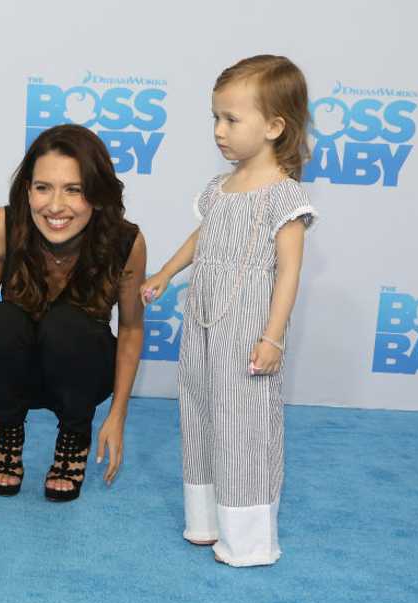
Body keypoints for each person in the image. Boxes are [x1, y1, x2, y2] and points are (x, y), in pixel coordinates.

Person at [141, 55, 317, 567]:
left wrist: (274, 336)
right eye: (215, 118)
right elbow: (204, 236)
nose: (219, 131)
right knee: (199, 414)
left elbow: (288, 273)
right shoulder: (220, 189)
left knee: (244, 427)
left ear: (274, 126)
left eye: (232, 120)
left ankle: (248, 539)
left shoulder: (284, 198)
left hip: (246, 334)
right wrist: (166, 272)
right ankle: (206, 521)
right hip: (203, 323)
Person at [0, 124, 147, 501]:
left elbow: (130, 329)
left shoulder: (125, 242)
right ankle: (8, 433)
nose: (55, 206)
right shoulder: (1, 226)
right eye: (43, 187)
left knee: (68, 324)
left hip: (81, 373)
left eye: (74, 190)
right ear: (27, 188)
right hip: (17, 371)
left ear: (96, 194)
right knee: (0, 321)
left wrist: (117, 416)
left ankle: (73, 436)